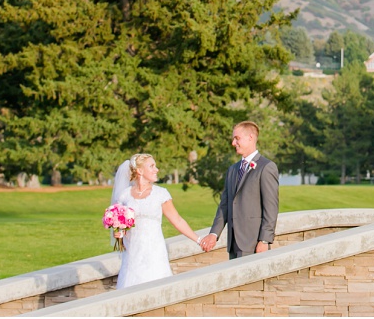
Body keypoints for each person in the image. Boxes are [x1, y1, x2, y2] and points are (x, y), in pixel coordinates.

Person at [110, 153, 201, 289]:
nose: (156, 169)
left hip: (154, 251)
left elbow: (177, 220)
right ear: (140, 171)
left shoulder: (160, 194)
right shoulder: (124, 196)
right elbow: (121, 225)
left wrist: (199, 240)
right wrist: (119, 233)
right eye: (152, 166)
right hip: (133, 253)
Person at [199, 121, 279, 259]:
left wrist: (264, 240)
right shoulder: (232, 170)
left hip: (254, 244)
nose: (233, 143)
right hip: (234, 243)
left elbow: (271, 208)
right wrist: (214, 234)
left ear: (251, 138)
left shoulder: (266, 167)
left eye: (237, 138)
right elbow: (225, 205)